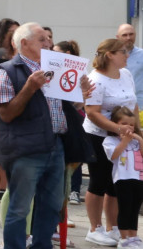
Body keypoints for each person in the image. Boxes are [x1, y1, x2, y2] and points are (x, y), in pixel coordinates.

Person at [0, 22, 87, 249]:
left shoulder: (54, 69)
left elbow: (60, 110)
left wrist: (80, 96)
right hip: (26, 149)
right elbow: (5, 114)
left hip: (55, 145)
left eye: (48, 39)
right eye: (42, 39)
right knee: (20, 206)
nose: (49, 43)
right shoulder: (8, 71)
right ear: (24, 43)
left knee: (51, 205)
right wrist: (29, 88)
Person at [83, 38, 138, 246]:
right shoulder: (96, 79)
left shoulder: (126, 74)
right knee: (99, 180)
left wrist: (136, 130)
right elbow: (92, 112)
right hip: (99, 135)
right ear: (110, 55)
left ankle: (112, 226)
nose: (127, 55)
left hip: (123, 136)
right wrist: (117, 128)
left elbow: (132, 104)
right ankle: (94, 228)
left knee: (117, 183)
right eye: (122, 52)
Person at [102, 106, 143, 247]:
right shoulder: (110, 140)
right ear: (116, 124)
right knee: (125, 207)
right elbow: (113, 156)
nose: (128, 128)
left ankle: (134, 236)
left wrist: (140, 140)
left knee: (135, 208)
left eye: (131, 125)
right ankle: (124, 237)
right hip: (122, 179)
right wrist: (125, 141)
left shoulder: (137, 141)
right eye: (124, 124)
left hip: (138, 178)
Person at [55, 40, 87, 205]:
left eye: (56, 51)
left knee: (74, 156)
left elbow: (79, 102)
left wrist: (83, 97)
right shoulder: (52, 70)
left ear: (66, 54)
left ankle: (74, 190)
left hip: (75, 118)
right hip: (59, 122)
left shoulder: (78, 70)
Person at [117, 24, 143, 109]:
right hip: (117, 107)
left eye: (131, 34)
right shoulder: (111, 56)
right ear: (117, 37)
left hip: (140, 105)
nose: (128, 37)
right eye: (124, 35)